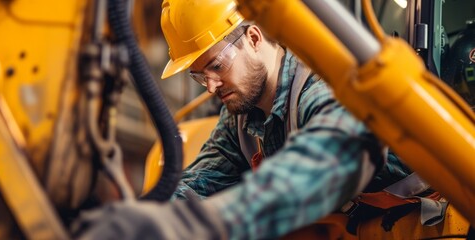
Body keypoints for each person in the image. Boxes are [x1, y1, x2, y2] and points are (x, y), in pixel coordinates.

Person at [74, 0, 413, 239]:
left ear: (253, 38)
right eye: (198, 76)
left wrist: (191, 227)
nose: (209, 86)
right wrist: (144, 218)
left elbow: (326, 164)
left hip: (420, 224)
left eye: (216, 67)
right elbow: (198, 182)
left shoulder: (324, 82)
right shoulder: (239, 119)